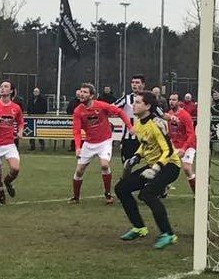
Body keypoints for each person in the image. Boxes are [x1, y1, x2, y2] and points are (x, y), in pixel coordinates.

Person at [115, 91, 181, 249]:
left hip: (169, 166)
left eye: (138, 102)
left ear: (148, 106)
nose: (133, 105)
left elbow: (169, 151)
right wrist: (136, 157)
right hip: (153, 165)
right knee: (121, 188)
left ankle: (169, 234)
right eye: (134, 101)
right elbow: (145, 145)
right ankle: (139, 227)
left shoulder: (157, 124)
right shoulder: (138, 123)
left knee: (147, 194)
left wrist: (157, 168)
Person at [69, 83, 133, 205]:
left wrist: (129, 126)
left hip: (104, 141)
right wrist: (78, 147)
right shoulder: (78, 111)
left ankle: (108, 194)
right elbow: (76, 131)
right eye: (81, 91)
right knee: (79, 171)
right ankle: (76, 197)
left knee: (104, 165)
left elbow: (119, 112)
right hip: (88, 143)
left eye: (85, 92)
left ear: (92, 96)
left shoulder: (101, 106)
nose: (82, 94)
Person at [167, 93, 197, 193]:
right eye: (170, 99)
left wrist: (184, 148)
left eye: (174, 100)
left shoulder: (185, 115)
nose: (171, 102)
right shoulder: (169, 114)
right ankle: (162, 190)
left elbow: (191, 134)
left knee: (186, 168)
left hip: (188, 145)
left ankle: (197, 193)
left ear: (179, 102)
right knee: (164, 167)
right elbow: (169, 131)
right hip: (175, 145)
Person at [114, 74, 148, 161]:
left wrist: (172, 117)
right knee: (127, 163)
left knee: (149, 163)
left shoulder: (149, 98)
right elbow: (112, 107)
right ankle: (127, 175)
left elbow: (161, 114)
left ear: (143, 85)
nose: (134, 85)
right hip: (129, 137)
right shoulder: (126, 98)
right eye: (133, 82)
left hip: (146, 136)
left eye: (137, 82)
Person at [26, 87, 47, 151]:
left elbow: (45, 110)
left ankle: (42, 146)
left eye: (37, 91)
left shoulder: (43, 100)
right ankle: (32, 146)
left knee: (40, 132)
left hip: (39, 119)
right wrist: (29, 114)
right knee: (31, 132)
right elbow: (28, 108)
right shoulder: (30, 100)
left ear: (39, 92)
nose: (36, 93)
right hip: (31, 119)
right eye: (34, 91)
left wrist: (39, 115)